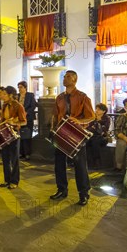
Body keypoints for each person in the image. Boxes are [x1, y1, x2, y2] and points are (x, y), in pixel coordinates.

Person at [50, 70, 95, 206]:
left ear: (75, 79)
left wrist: (78, 121)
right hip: (61, 133)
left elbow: (91, 116)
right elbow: (55, 115)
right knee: (59, 164)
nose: (65, 78)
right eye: (64, 76)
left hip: (76, 134)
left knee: (80, 164)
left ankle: (84, 193)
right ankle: (61, 189)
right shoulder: (59, 97)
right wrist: (53, 129)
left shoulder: (83, 97)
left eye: (68, 77)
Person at [0, 86, 26, 189]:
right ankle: (7, 180)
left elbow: (24, 121)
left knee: (14, 159)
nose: (2, 96)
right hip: (5, 133)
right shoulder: (4, 105)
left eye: (4, 94)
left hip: (14, 134)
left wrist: (14, 122)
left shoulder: (18, 106)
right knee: (5, 158)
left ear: (11, 95)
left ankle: (14, 181)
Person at [86, 103, 111, 169]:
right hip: (92, 136)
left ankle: (96, 161)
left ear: (104, 111)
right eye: (96, 109)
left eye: (99, 109)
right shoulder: (93, 117)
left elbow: (104, 129)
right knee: (85, 142)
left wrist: (98, 122)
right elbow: (88, 128)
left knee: (95, 141)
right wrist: (94, 128)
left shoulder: (106, 118)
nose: (96, 110)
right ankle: (85, 162)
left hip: (103, 138)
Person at [17, 81, 37, 160]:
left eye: (21, 87)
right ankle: (21, 153)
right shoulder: (17, 96)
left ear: (25, 87)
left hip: (28, 118)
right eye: (18, 87)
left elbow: (33, 105)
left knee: (27, 136)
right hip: (19, 119)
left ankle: (27, 153)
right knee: (20, 136)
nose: (20, 89)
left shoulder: (30, 95)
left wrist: (26, 112)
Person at [114, 99, 127, 172]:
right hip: (123, 137)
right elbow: (117, 130)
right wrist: (126, 139)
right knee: (121, 144)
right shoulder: (122, 117)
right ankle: (118, 166)